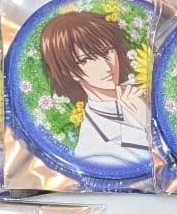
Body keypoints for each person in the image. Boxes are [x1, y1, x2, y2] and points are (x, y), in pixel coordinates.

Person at [39, 11, 149, 169]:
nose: (106, 67)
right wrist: (147, 122)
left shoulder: (146, 81)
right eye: (85, 60)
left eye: (107, 51)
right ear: (68, 71)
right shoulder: (92, 151)